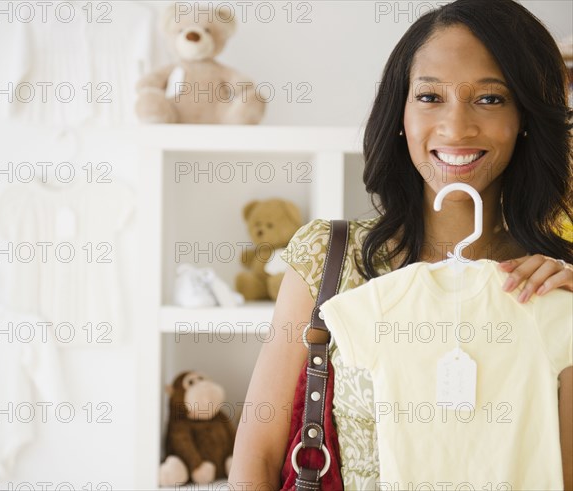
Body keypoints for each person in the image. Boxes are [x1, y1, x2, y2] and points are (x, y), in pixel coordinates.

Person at [228, 0, 573, 488]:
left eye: (491, 99)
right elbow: (256, 458)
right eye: (430, 97)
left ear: (527, 116)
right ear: (400, 112)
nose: (456, 127)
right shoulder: (329, 257)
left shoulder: (555, 283)